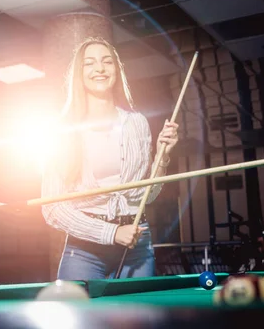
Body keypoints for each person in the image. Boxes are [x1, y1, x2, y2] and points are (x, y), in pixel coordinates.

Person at [41, 37, 178, 280]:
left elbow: (149, 194)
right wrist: (111, 232)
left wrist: (162, 157)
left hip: (137, 243)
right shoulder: (61, 130)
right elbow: (53, 208)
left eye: (107, 62)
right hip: (84, 249)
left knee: (135, 319)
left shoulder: (137, 123)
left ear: (117, 69)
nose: (100, 69)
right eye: (89, 63)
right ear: (78, 74)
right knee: (78, 318)